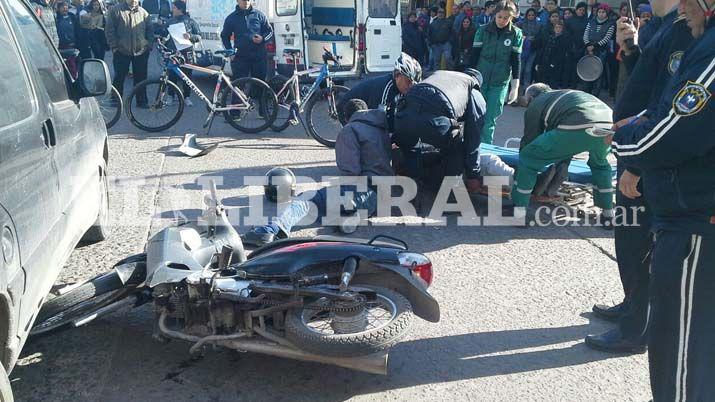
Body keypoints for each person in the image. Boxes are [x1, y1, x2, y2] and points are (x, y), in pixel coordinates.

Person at [610, 0, 714, 397]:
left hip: (696, 222)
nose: (682, 10)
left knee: (682, 366)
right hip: (693, 212)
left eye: (689, 3)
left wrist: (625, 141)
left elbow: (676, 128)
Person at [584, 0, 693, 354]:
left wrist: (637, 165)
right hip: (633, 147)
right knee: (628, 241)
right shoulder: (660, 24)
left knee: (638, 245)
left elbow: (667, 105)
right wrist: (630, 48)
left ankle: (637, 328)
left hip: (647, 157)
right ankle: (633, 305)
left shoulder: (683, 28)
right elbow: (645, 81)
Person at [241, 99, 388, 246]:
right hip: (380, 198)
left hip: (360, 191)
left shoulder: (350, 130)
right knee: (328, 202)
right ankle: (352, 214)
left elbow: (351, 172)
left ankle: (273, 228)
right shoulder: (380, 129)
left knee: (306, 199)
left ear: (346, 116)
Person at [511, 83, 614, 219]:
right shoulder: (562, 95)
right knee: (601, 165)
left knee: (528, 157)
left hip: (579, 123)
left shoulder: (536, 104)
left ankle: (519, 211)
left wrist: (521, 174)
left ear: (531, 98)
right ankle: (608, 213)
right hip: (609, 125)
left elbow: (530, 139)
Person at [392, 68, 486, 192]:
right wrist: (473, 174)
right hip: (433, 122)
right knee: (456, 146)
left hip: (403, 118)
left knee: (411, 148)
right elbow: (473, 136)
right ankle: (451, 193)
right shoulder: (473, 89)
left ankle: (412, 185)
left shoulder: (441, 74)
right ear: (478, 83)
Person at [470, 0, 522, 144]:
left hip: (500, 82)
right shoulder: (482, 30)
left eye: (506, 18)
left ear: (511, 18)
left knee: (490, 120)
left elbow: (515, 60)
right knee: (475, 117)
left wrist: (515, 85)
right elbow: (473, 56)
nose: (502, 20)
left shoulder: (516, 34)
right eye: (499, 17)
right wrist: (469, 79)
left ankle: (485, 150)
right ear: (495, 15)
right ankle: (470, 148)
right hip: (480, 80)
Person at [340, 53, 422, 124]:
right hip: (348, 111)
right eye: (408, 81)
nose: (411, 86)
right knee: (366, 136)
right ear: (397, 75)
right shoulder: (386, 88)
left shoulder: (400, 87)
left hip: (366, 110)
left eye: (413, 84)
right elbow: (379, 121)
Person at [105, 0, 153, 105]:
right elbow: (109, 30)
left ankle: (141, 101)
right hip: (121, 51)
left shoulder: (144, 12)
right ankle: (115, 100)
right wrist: (114, 47)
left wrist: (149, 46)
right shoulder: (115, 11)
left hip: (141, 52)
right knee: (119, 76)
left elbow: (150, 30)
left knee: (141, 78)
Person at [161, 0, 201, 106]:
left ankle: (186, 97)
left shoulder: (190, 21)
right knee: (172, 75)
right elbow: (163, 35)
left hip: (186, 53)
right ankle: (171, 96)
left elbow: (199, 36)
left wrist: (191, 36)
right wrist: (162, 38)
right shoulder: (170, 21)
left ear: (180, 9)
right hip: (173, 53)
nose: (172, 9)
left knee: (187, 76)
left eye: (174, 8)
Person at [220, 0, 273, 80]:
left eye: (248, 0)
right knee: (238, 87)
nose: (246, 2)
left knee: (259, 88)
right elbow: (224, 36)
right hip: (240, 58)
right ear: (237, 1)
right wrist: (230, 53)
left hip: (258, 58)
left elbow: (270, 32)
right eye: (243, 0)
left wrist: (262, 39)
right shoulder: (231, 18)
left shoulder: (259, 15)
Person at [579, 4, 615, 95]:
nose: (601, 14)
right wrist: (588, 45)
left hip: (601, 51)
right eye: (599, 12)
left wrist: (594, 46)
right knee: (586, 70)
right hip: (588, 50)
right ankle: (585, 92)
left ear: (607, 13)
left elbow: (607, 38)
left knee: (598, 73)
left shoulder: (611, 24)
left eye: (603, 12)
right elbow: (585, 35)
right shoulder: (591, 22)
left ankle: (595, 94)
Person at [535, 20, 571, 88]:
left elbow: (561, 54)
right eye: (556, 27)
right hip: (544, 62)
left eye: (560, 27)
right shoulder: (550, 37)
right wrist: (538, 62)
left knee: (552, 83)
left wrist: (553, 64)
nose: (558, 29)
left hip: (555, 65)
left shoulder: (564, 39)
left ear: (562, 29)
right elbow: (543, 50)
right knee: (542, 82)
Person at [566, 2, 589, 86]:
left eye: (583, 10)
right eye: (580, 10)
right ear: (576, 10)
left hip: (582, 47)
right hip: (570, 47)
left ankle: (574, 84)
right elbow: (566, 34)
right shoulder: (569, 20)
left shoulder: (587, 21)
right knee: (569, 67)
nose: (581, 12)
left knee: (578, 67)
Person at [55, 1, 80, 76]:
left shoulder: (72, 17)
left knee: (73, 66)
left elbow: (77, 31)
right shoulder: (56, 19)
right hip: (61, 47)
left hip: (72, 46)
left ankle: (74, 81)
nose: (65, 9)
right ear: (59, 9)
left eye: (66, 7)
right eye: (62, 7)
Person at [519, 8, 542, 88]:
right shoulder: (521, 23)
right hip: (523, 49)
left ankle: (526, 86)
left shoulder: (539, 25)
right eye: (529, 15)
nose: (531, 16)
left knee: (528, 69)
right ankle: (517, 85)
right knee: (520, 69)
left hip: (533, 49)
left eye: (532, 15)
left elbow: (540, 37)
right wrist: (524, 37)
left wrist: (534, 39)